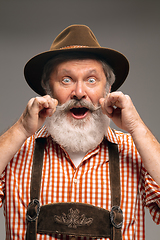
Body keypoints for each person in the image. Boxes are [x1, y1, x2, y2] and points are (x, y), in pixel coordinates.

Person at [0, 24, 160, 240]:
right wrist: (20, 129)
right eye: (66, 80)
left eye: (91, 80)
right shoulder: (16, 151)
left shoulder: (137, 151)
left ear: (107, 90)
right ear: (48, 90)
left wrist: (137, 128)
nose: (79, 92)